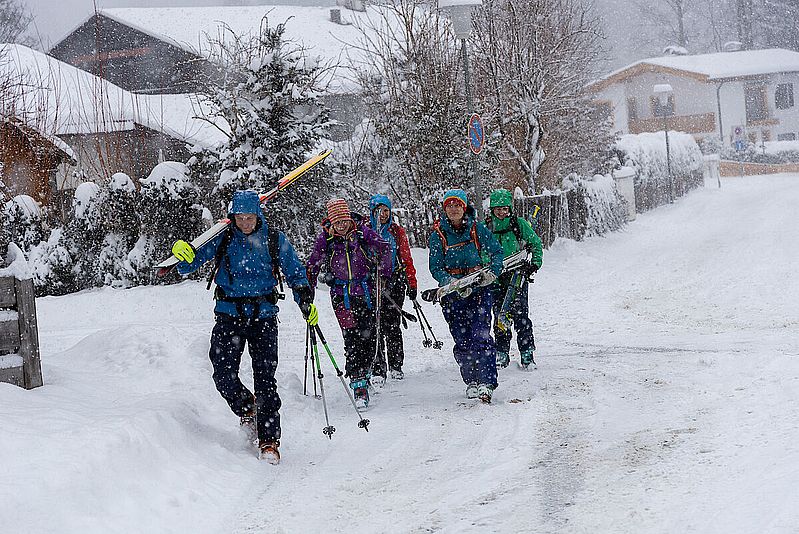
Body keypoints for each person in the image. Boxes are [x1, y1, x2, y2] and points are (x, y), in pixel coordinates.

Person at [171, 190, 317, 464]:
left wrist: (304, 296)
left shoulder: (274, 240)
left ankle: (269, 442)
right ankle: (248, 408)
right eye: (240, 218)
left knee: (265, 380)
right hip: (229, 316)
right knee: (223, 375)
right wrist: (183, 254)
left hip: (263, 316)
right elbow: (189, 265)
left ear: (258, 216)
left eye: (250, 217)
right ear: (233, 217)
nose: (246, 223)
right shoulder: (223, 238)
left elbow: (295, 271)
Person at [306, 198, 391, 409]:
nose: (341, 225)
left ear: (348, 217)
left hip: (366, 293)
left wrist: (383, 271)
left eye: (344, 220)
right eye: (337, 222)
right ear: (331, 222)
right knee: (352, 338)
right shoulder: (326, 239)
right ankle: (358, 383)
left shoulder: (362, 232)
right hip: (341, 295)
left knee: (369, 336)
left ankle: (367, 371)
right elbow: (313, 263)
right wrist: (307, 289)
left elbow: (385, 248)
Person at [428, 189, 504, 403]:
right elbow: (435, 267)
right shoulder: (438, 236)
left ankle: (487, 382)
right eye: (449, 205)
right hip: (453, 294)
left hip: (479, 288)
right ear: (445, 209)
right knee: (462, 338)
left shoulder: (477, 230)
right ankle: (471, 379)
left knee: (481, 334)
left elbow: (497, 253)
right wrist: (449, 283)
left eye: (457, 205)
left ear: (464, 207)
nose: (454, 209)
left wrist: (492, 273)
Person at [484, 188, 543, 369]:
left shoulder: (519, 225)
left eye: (505, 209)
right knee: (500, 315)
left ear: (510, 209)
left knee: (521, 314)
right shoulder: (486, 228)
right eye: (497, 209)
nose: (501, 212)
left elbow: (536, 243)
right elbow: (481, 251)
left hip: (517, 276)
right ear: (492, 210)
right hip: (495, 277)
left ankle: (527, 352)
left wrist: (534, 263)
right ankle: (501, 352)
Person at [366, 194, 418, 383]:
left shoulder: (396, 232)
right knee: (374, 325)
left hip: (394, 282)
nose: (382, 215)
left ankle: (396, 364)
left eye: (386, 211)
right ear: (372, 212)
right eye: (378, 211)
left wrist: (412, 282)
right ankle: (378, 367)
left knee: (392, 324)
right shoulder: (365, 230)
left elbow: (406, 257)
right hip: (371, 283)